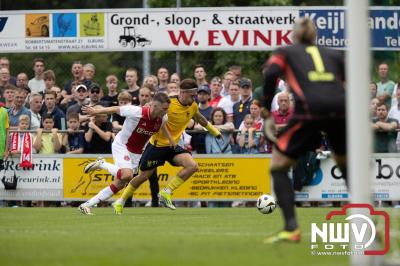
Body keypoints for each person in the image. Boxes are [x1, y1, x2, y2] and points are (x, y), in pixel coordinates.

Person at [262, 17, 346, 243]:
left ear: (295, 35)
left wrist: (266, 110)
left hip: (310, 110)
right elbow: (348, 82)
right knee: (348, 168)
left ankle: (292, 228)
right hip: (340, 110)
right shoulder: (335, 54)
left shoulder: (286, 52)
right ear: (315, 35)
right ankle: (370, 223)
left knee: (278, 166)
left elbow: (270, 73)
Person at [113, 79, 222, 213]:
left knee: (193, 166)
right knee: (143, 177)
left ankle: (166, 192)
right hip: (156, 146)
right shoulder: (168, 102)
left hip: (173, 145)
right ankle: (121, 201)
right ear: (182, 92)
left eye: (195, 95)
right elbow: (151, 107)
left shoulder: (193, 106)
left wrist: (215, 131)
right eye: (192, 95)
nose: (194, 98)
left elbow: (200, 119)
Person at [77, 93, 171, 215]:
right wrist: (95, 111)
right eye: (164, 108)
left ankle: (85, 205)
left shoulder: (163, 118)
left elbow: (163, 127)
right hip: (122, 145)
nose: (166, 111)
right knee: (127, 175)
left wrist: (171, 140)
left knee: (120, 183)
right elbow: (116, 109)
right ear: (155, 106)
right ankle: (102, 164)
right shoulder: (136, 111)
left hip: (137, 153)